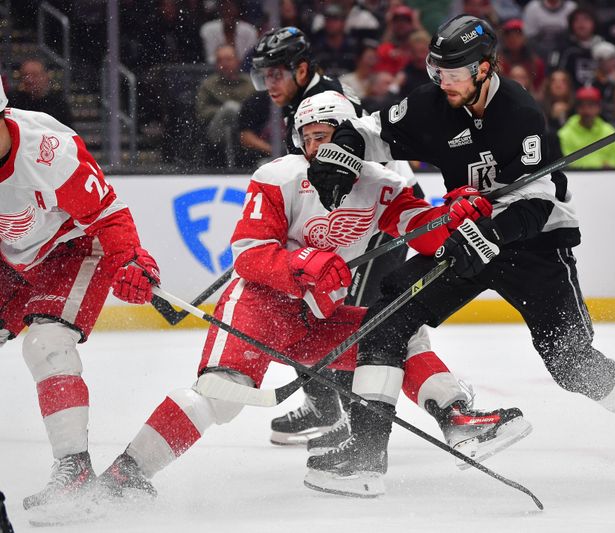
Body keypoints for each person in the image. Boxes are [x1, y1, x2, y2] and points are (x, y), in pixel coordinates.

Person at [305, 15, 615, 497]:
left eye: (455, 74)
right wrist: (340, 159)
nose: (444, 83)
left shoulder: (519, 112)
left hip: (535, 245)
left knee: (569, 361)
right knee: (385, 318)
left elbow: (538, 203)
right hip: (467, 238)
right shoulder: (429, 103)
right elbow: (370, 131)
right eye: (436, 71)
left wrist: (487, 234)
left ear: (485, 68)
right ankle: (365, 455)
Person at [95, 91, 530, 499]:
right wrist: (306, 262)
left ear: (351, 137)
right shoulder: (279, 175)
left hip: (318, 315)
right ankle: (125, 473)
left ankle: (455, 417)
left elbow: (420, 230)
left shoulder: (381, 183)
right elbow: (249, 256)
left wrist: (452, 217)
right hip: (259, 306)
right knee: (221, 396)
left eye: (327, 136)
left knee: (398, 335)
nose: (316, 146)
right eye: (309, 137)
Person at [246, 26, 431, 449]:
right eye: (264, 75)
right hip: (358, 212)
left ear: (303, 68)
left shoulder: (329, 101)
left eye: (276, 73)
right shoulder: (306, 99)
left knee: (343, 321)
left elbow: (357, 174)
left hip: (381, 216)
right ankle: (326, 406)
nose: (269, 84)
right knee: (310, 306)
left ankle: (351, 421)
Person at [0, 78, 160, 510]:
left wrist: (130, 259)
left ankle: (75, 470)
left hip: (72, 246)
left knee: (47, 343)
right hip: (10, 259)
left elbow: (107, 213)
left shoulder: (46, 151)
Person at [195, 44, 255, 167]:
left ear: (238, 61)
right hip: (216, 133)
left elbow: (258, 111)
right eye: (220, 60)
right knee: (230, 108)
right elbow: (201, 112)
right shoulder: (208, 85)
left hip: (246, 131)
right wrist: (224, 111)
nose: (224, 63)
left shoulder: (250, 84)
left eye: (228, 59)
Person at [558, 85, 615, 169]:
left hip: (605, 178)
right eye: (582, 106)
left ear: (599, 108)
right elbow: (566, 162)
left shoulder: (609, 132)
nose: (587, 110)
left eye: (591, 105)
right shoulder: (565, 133)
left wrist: (610, 166)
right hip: (576, 178)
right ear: (577, 108)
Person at [7, 58, 73, 127]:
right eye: (25, 75)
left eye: (35, 75)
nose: (29, 80)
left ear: (45, 77)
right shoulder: (13, 102)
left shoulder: (58, 104)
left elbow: (68, 133)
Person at [200, 0, 259, 64]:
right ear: (219, 10)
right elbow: (210, 58)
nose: (228, 11)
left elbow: (249, 58)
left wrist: (234, 64)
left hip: (244, 70)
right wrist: (225, 62)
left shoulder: (250, 31)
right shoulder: (208, 29)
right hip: (214, 70)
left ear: (237, 10)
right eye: (225, 8)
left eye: (231, 8)